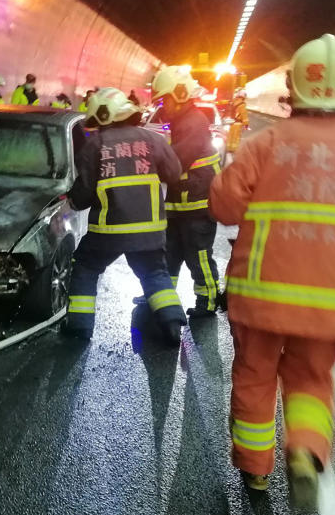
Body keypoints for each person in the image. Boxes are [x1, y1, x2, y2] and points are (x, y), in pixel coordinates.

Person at [209, 34, 335, 507]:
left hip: (259, 293)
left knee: (255, 375)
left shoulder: (265, 143)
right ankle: (307, 448)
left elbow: (224, 207)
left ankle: (256, 470)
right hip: (329, 301)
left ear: (293, 89)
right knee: (311, 379)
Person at [64, 87, 187, 344]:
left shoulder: (95, 145)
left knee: (85, 267)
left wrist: (72, 201)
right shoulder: (151, 140)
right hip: (150, 230)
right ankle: (172, 325)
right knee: (154, 272)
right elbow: (174, 173)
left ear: (103, 115)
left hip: (109, 232)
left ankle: (79, 326)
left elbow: (84, 192)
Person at [152, 65, 223, 317]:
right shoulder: (183, 121)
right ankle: (164, 296)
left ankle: (208, 300)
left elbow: (175, 162)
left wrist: (151, 164)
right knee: (171, 252)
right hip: (181, 206)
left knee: (198, 255)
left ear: (180, 94)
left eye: (164, 99)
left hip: (197, 207)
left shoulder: (193, 123)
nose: (162, 106)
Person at [226, 88, 250, 159]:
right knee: (236, 137)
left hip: (231, 122)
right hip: (238, 123)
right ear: (244, 97)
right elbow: (244, 115)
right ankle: (234, 149)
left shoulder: (233, 102)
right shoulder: (242, 104)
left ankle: (229, 148)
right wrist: (246, 124)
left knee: (230, 135)